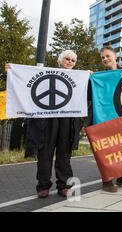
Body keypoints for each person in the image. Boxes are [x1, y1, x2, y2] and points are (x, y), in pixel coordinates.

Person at [6, 50, 82, 198]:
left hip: (68, 120)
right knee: (45, 153)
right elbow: (25, 82)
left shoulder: (79, 78)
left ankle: (63, 185)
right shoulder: (46, 73)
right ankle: (43, 186)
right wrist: (13, 72)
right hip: (47, 119)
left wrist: (89, 76)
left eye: (73, 60)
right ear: (60, 61)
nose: (70, 62)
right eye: (67, 59)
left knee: (64, 154)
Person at [93, 46, 122, 192]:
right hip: (105, 118)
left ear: (115, 57)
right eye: (103, 58)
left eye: (107, 56)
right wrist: (91, 77)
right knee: (106, 150)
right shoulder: (99, 78)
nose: (105, 59)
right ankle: (107, 181)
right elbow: (92, 97)